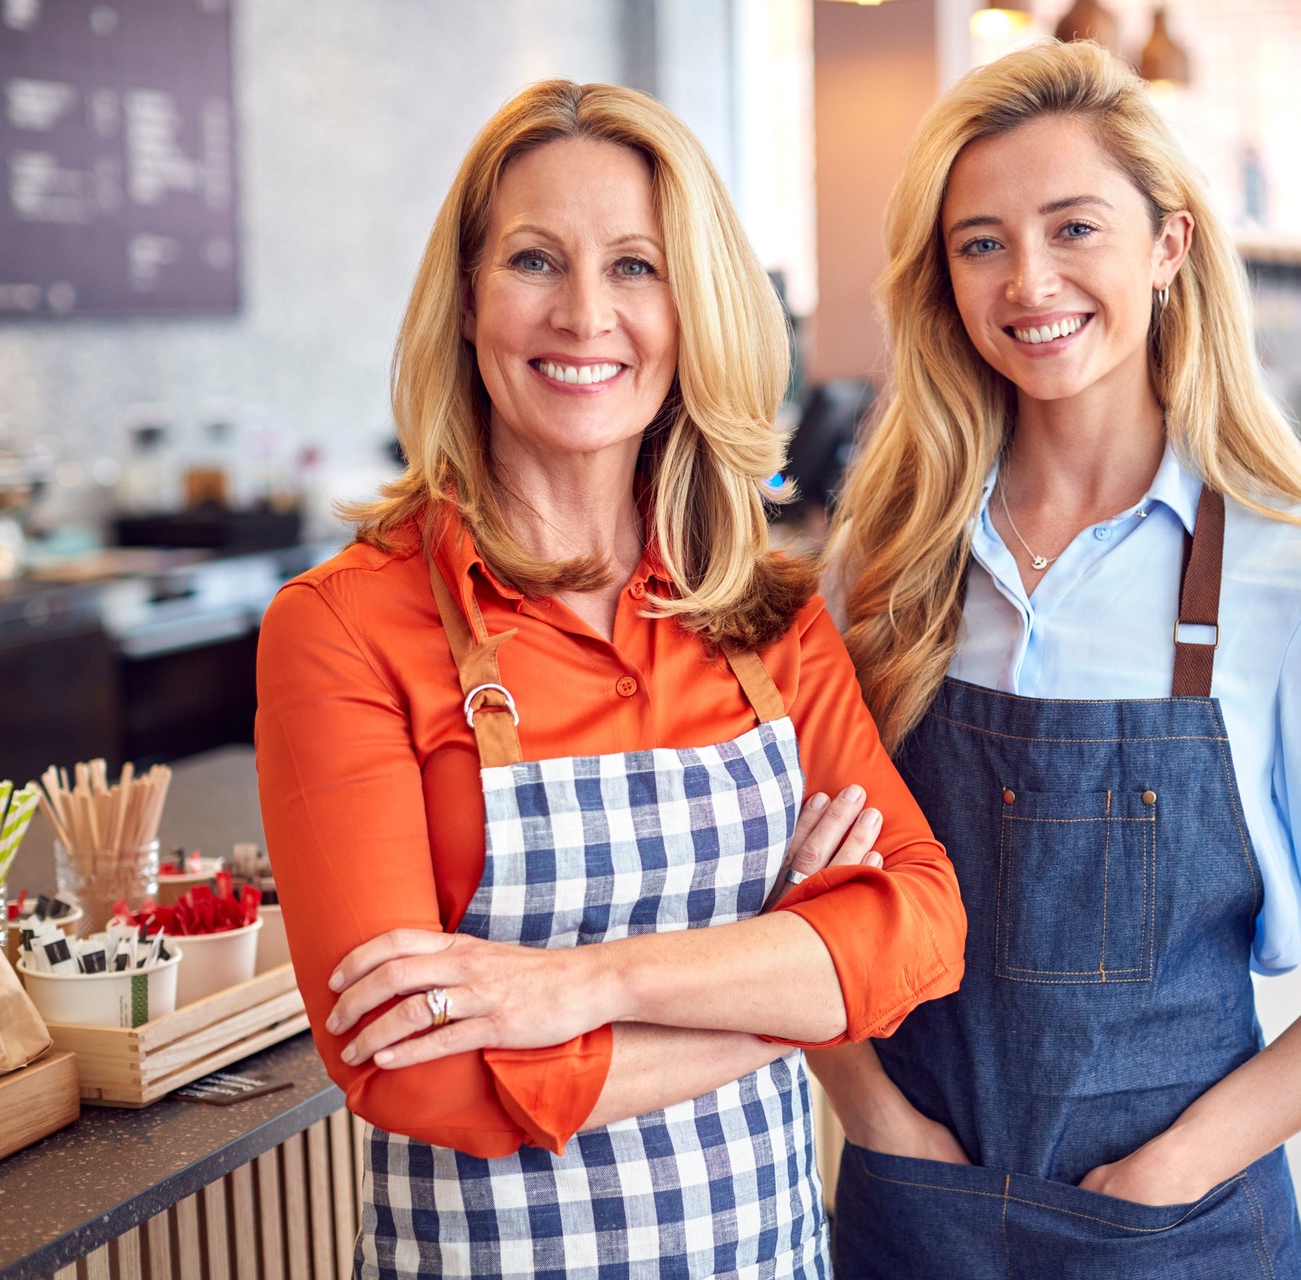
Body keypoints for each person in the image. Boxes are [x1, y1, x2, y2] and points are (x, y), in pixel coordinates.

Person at [254, 79, 964, 1279]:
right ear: (469, 300)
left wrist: (576, 987)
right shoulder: (342, 628)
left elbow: (923, 929)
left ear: (693, 309)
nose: (586, 314)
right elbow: (406, 1063)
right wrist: (786, 976)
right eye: (536, 259)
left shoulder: (768, 613)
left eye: (637, 266)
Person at [812, 40, 1301, 1278]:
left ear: (1168, 249)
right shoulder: (882, 563)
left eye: (1074, 228)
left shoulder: (1296, 576)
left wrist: (1169, 1170)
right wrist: (878, 1121)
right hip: (916, 1212)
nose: (1028, 279)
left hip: (1176, 1226)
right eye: (981, 242)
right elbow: (802, 884)